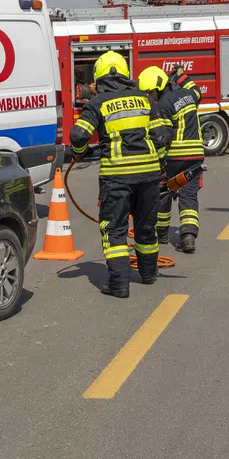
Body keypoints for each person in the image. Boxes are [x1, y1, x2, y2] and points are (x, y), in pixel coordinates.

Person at [69, 52, 171, 298]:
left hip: (116, 178)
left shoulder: (98, 103)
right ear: (125, 74)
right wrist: (158, 165)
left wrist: (80, 152)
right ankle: (149, 275)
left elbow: (78, 135)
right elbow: (162, 136)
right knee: (146, 227)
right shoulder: (144, 99)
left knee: (114, 230)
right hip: (148, 177)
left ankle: (119, 285)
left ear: (100, 77)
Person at [141, 66, 204, 254]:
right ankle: (188, 237)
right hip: (195, 155)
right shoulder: (189, 94)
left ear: (158, 87)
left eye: (151, 92)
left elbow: (163, 138)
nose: (150, 97)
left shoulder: (162, 105)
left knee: (164, 192)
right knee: (189, 195)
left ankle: (161, 234)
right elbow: (197, 91)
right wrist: (182, 76)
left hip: (175, 156)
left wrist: (159, 163)